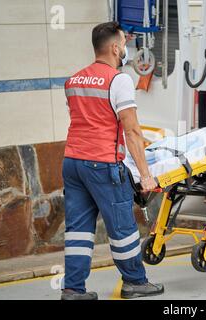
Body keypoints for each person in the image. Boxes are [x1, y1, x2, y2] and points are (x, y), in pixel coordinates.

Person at [60, 21, 164, 300]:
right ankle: (135, 282)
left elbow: (83, 120)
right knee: (122, 227)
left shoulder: (74, 80)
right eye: (124, 43)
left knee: (78, 230)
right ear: (115, 47)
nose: (127, 49)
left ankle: (72, 289)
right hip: (102, 164)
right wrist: (145, 176)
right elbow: (131, 130)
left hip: (72, 162)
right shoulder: (119, 80)